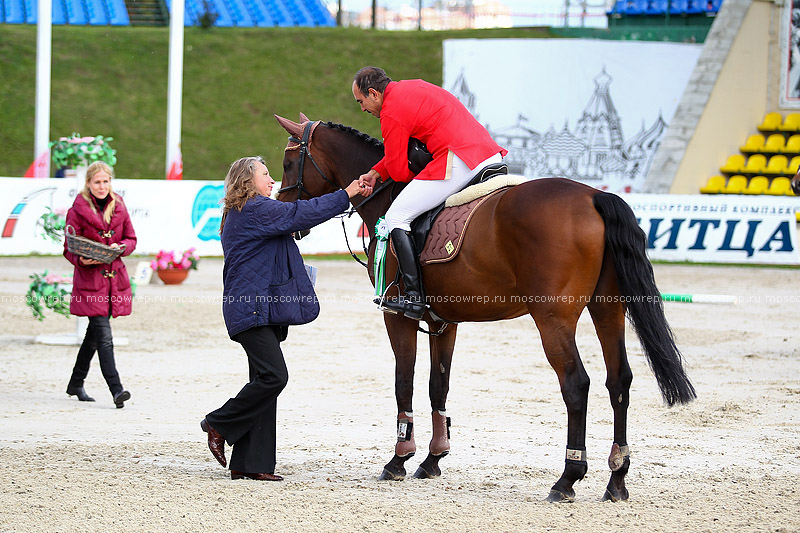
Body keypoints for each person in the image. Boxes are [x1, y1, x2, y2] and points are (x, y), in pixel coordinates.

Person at [200, 156, 367, 481]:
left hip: (256, 308)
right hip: (251, 309)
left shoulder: (245, 211)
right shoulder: (255, 208)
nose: (271, 179)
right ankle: (218, 423)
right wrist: (346, 194)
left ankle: (251, 464)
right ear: (248, 181)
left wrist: (331, 205)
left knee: (262, 381)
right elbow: (298, 213)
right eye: (265, 174)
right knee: (274, 378)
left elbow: (296, 221)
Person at [352, 66, 508, 320]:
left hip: (459, 160)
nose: (362, 109)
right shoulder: (413, 85)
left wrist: (399, 174)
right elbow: (397, 158)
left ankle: (414, 297)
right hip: (488, 153)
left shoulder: (390, 112)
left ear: (373, 93)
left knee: (396, 217)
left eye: (361, 101)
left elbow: (400, 170)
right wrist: (376, 172)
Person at [64, 161, 136, 408]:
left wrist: (122, 247)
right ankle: (117, 390)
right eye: (97, 182)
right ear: (88, 184)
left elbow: (131, 238)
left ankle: (75, 383)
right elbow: (68, 248)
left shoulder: (120, 205)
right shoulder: (77, 210)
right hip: (90, 282)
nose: (102, 186)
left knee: (93, 337)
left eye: (106, 181)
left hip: (114, 280)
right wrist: (81, 259)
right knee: (104, 337)